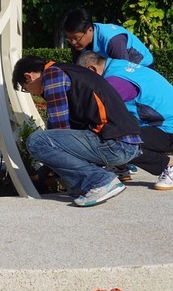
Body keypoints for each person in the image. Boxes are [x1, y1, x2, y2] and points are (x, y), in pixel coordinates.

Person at [11, 56, 143, 207]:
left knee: (37, 141)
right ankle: (87, 184)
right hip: (126, 143)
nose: (32, 93)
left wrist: (46, 169)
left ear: (29, 76)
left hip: (114, 144)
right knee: (50, 141)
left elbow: (59, 128)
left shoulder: (53, 75)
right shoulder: (71, 70)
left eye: (25, 88)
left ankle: (100, 181)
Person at [77, 51, 173, 190]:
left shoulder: (115, 82)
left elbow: (97, 112)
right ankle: (121, 166)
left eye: (85, 78)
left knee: (118, 142)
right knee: (114, 132)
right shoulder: (117, 65)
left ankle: (171, 165)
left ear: (92, 69)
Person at [61, 7, 154, 68]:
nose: (73, 42)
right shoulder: (78, 42)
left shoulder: (113, 41)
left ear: (89, 30)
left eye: (76, 38)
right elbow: (80, 68)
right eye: (69, 39)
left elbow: (122, 72)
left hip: (141, 67)